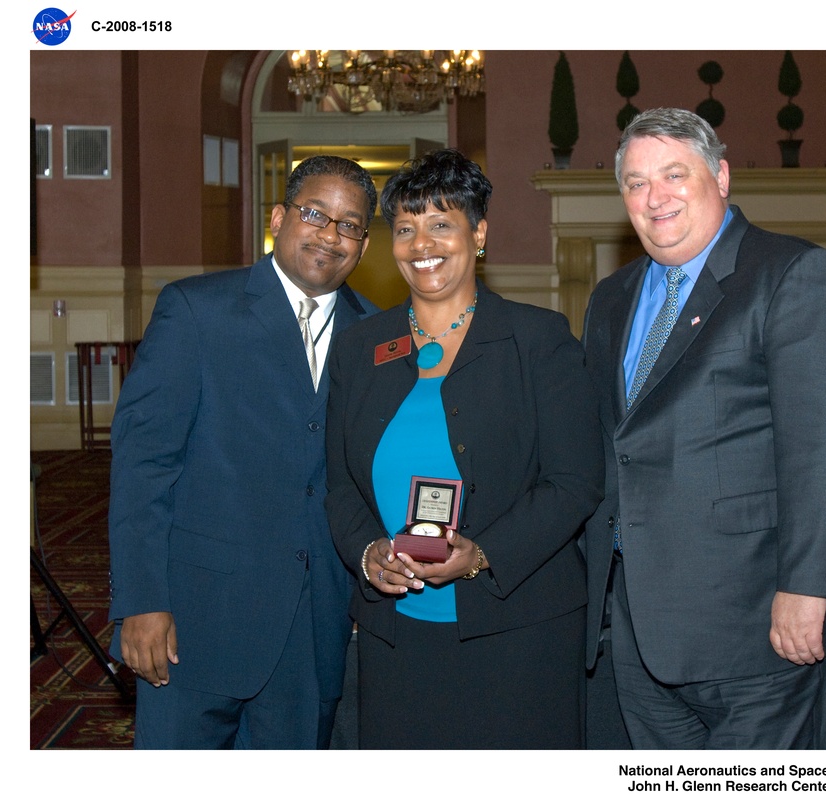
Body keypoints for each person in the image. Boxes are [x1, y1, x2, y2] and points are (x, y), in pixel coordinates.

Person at [582, 108, 826, 750]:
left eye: (674, 174)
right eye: (635, 182)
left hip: (757, 621)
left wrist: (807, 585)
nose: (655, 197)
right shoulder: (611, 298)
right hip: (638, 626)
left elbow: (825, 448)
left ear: (721, 176)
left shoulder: (793, 275)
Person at [324, 149, 604, 749]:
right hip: (394, 633)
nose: (420, 243)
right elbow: (339, 484)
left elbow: (576, 481)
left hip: (520, 629)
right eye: (404, 228)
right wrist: (368, 551)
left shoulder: (538, 340)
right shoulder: (360, 347)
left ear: (478, 234)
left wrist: (483, 553)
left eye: (441, 224)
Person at [107, 155, 379, 749]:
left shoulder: (377, 336)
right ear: (279, 218)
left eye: (350, 224)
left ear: (363, 244)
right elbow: (143, 465)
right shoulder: (196, 310)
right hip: (195, 623)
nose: (330, 235)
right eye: (315, 214)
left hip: (314, 631)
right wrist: (141, 600)